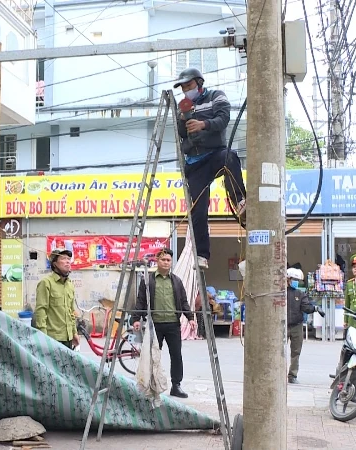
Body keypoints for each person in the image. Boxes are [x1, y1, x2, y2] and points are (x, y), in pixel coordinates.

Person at [174, 67, 247, 270]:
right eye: (183, 87)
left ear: (199, 82)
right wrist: (183, 120)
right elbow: (181, 133)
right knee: (198, 210)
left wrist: (203, 124)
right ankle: (202, 255)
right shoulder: (183, 106)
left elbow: (223, 119)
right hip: (195, 162)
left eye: (188, 86)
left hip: (215, 153)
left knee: (230, 158)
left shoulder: (217, 97)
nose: (186, 90)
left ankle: (239, 200)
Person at [132, 248, 196, 398]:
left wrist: (191, 318)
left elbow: (183, 302)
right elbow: (141, 301)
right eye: (163, 260)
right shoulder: (148, 280)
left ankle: (176, 385)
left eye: (168, 260)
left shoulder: (177, 281)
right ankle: (151, 385)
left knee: (176, 355)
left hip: (173, 324)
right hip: (155, 325)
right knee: (153, 355)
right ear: (157, 260)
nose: (166, 262)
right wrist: (136, 319)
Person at [35, 248, 79, 349]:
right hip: (52, 338)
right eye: (63, 258)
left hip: (68, 338)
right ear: (54, 263)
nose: (68, 261)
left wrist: (74, 332)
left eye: (69, 259)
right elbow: (41, 310)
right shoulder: (46, 283)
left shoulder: (70, 285)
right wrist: (43, 336)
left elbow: (71, 311)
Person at [286, 268, 323, 384]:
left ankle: (292, 375)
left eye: (298, 280)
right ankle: (277, 373)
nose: (296, 282)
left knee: (296, 352)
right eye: (294, 279)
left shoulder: (300, 294)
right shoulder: (281, 293)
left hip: (297, 326)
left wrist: (315, 308)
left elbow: (306, 308)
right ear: (288, 279)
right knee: (278, 351)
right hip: (282, 325)